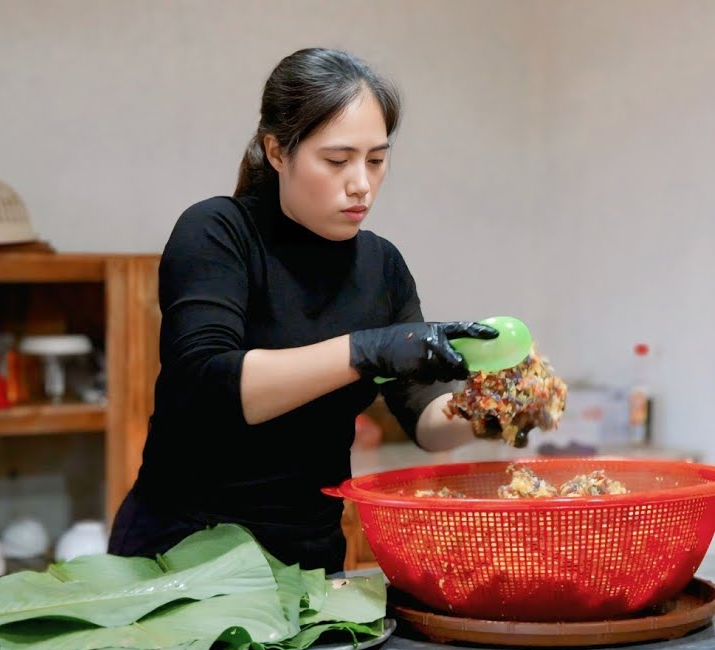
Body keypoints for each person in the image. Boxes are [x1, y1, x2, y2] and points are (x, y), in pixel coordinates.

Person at [108, 48, 514, 573]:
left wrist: (495, 406)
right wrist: (369, 351)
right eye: (337, 160)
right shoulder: (217, 232)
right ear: (278, 152)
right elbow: (211, 385)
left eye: (376, 159)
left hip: (309, 564)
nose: (361, 184)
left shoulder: (382, 266)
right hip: (183, 558)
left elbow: (426, 421)